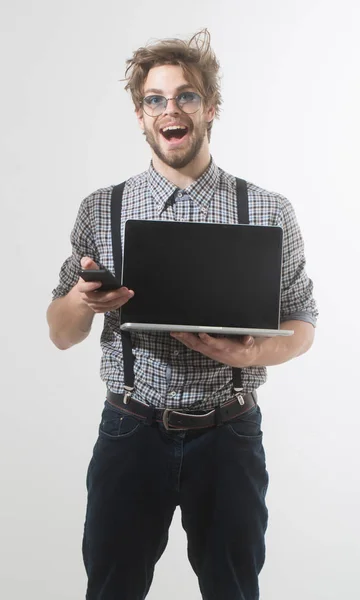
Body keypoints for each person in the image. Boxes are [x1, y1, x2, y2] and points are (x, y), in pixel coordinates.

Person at [47, 29, 318, 600]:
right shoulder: (104, 208)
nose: (171, 109)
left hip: (229, 434)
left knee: (233, 590)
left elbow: (302, 322)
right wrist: (82, 301)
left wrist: (252, 352)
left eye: (186, 96)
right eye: (156, 99)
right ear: (141, 115)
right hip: (130, 431)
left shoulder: (266, 210)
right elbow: (60, 333)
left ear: (210, 107)